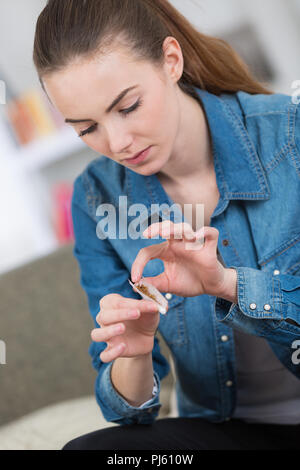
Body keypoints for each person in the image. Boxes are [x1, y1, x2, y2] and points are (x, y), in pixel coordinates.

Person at [33, 0, 300, 450]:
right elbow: (127, 408)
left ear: (171, 61)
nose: (117, 143)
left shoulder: (288, 135)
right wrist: (133, 354)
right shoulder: (98, 197)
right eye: (86, 128)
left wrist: (229, 284)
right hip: (228, 432)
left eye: (128, 106)